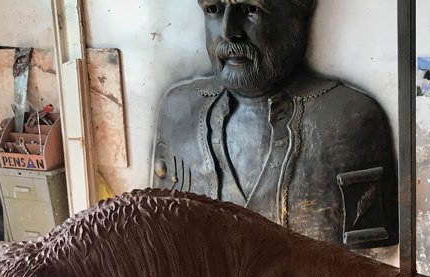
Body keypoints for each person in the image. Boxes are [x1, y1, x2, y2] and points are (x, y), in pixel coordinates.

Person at [152, 0, 398, 251]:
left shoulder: (348, 120)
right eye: (213, 9)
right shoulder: (179, 111)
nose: (228, 32)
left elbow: (372, 263)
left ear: (298, 17)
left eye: (251, 9)